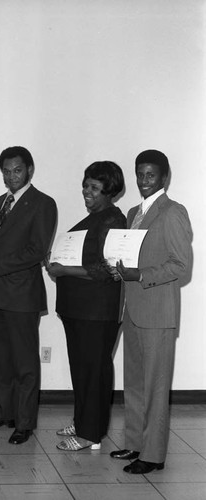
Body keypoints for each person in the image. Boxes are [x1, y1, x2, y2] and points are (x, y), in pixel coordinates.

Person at [109, 150, 192, 474]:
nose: (144, 181)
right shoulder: (133, 212)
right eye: (140, 175)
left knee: (156, 386)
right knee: (135, 382)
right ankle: (135, 442)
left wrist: (140, 275)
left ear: (164, 177)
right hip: (132, 308)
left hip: (158, 312)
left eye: (151, 175)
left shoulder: (173, 212)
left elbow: (181, 267)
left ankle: (153, 455)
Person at [0, 146, 57, 445]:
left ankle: (24, 422)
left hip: (22, 295)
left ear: (29, 170)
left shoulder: (43, 203)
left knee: (25, 363)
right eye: (6, 171)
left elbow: (36, 251)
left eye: (17, 170)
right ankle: (2, 413)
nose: (11, 176)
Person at [46, 161, 126, 451]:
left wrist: (64, 270)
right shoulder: (95, 219)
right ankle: (83, 422)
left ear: (111, 191)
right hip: (78, 309)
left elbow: (107, 269)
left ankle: (90, 434)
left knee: (93, 371)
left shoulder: (113, 220)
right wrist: (54, 262)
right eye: (85, 185)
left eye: (94, 187)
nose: (86, 191)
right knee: (82, 369)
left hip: (98, 311)